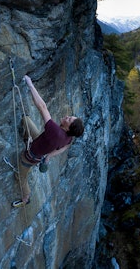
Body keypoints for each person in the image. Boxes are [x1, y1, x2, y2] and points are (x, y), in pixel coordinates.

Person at [12, 75, 84, 207]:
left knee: (20, 177)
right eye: (70, 116)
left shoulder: (55, 131)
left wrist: (30, 84)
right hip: (41, 143)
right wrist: (49, 156)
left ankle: (26, 198)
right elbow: (64, 148)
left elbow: (42, 107)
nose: (67, 116)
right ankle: (26, 137)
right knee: (26, 120)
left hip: (30, 157)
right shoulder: (69, 138)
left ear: (68, 128)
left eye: (69, 120)